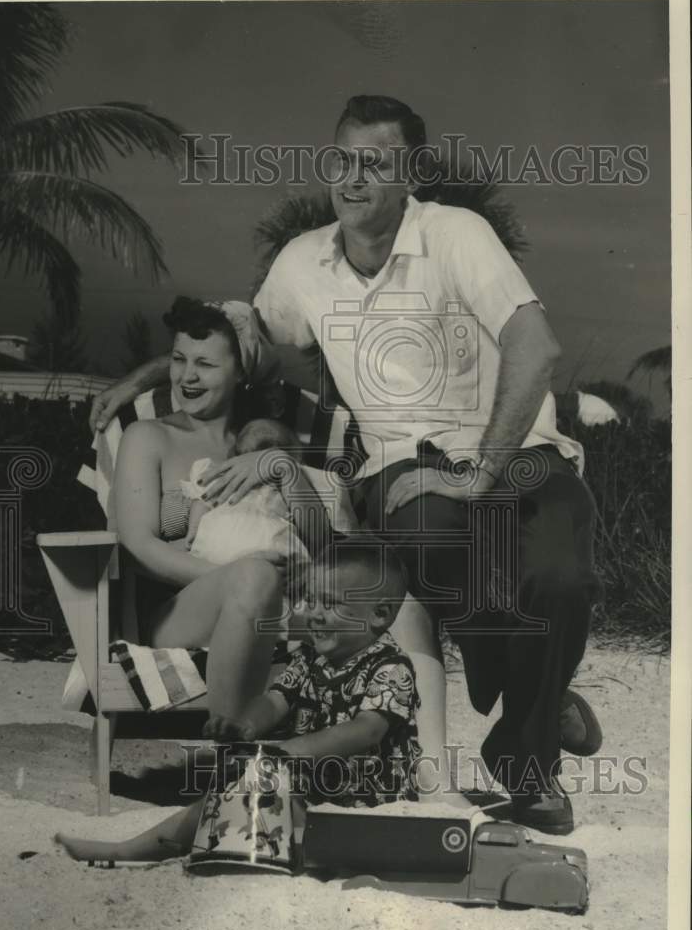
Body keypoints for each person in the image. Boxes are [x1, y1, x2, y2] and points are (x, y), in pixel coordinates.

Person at [89, 95, 602, 834]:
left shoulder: (457, 235)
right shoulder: (303, 263)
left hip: (519, 453)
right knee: (425, 528)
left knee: (559, 576)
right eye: (342, 160)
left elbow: (537, 349)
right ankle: (541, 716)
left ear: (411, 173)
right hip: (401, 466)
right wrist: (149, 375)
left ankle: (527, 747)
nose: (353, 178)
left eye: (375, 163)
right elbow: (242, 340)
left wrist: (481, 471)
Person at [55, 540, 422, 865]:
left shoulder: (391, 666)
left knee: (256, 803)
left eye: (332, 604)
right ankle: (125, 851)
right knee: (222, 800)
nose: (315, 614)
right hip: (316, 795)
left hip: (370, 808)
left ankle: (284, 851)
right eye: (311, 600)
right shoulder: (312, 658)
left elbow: (367, 730)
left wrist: (289, 751)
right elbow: (277, 699)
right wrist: (246, 724)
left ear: (381, 614)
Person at [112, 296, 331, 724]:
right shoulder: (148, 437)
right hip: (179, 614)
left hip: (282, 605)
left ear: (241, 374)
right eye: (178, 360)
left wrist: (284, 469)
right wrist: (237, 574)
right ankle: (232, 744)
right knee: (253, 575)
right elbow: (137, 544)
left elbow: (321, 543)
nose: (187, 376)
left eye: (206, 365)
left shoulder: (265, 442)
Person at [182, 417, 312, 571]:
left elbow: (202, 501)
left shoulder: (287, 485)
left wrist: (194, 529)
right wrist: (194, 529)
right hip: (262, 544)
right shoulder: (228, 477)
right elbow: (203, 499)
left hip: (226, 545)